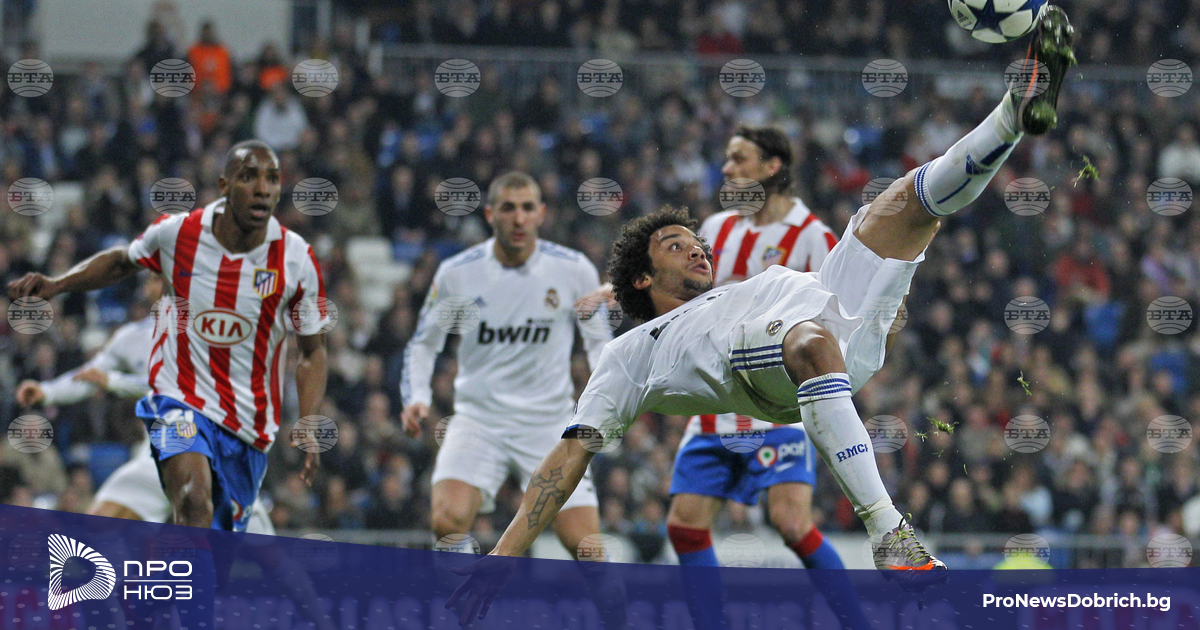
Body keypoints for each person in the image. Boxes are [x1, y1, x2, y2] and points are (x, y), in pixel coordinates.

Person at [449, 7, 1076, 623]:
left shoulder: (739, 286)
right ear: (643, 278)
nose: (697, 248)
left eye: (695, 242)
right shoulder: (630, 355)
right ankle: (890, 535)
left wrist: (884, 308)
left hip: (825, 308)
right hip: (773, 363)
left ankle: (1014, 112)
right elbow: (566, 459)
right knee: (801, 361)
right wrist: (501, 558)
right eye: (675, 246)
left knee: (904, 203)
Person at [8, 140, 329, 534]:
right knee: (193, 499)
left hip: (246, 427)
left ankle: (183, 574)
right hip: (179, 401)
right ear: (224, 185)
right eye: (249, 177)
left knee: (217, 549)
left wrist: (310, 421)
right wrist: (58, 284)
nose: (262, 188)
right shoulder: (179, 233)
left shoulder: (295, 259)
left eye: (272, 179)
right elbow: (122, 261)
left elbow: (313, 352)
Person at [669, 127, 869, 629]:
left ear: (772, 166)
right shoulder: (716, 228)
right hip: (717, 402)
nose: (727, 169)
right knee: (684, 525)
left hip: (777, 403)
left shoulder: (813, 236)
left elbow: (839, 318)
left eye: (739, 159)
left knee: (791, 522)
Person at [401, 171, 612, 558]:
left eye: (528, 208)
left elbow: (600, 344)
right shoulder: (458, 273)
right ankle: (470, 594)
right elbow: (424, 344)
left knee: (588, 551)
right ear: (489, 214)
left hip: (550, 423)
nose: (519, 219)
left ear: (542, 214)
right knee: (446, 522)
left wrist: (604, 404)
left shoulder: (573, 269)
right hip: (479, 420)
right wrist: (417, 396)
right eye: (508, 208)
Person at [15, 275, 274, 532]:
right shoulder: (131, 337)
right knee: (99, 522)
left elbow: (183, 389)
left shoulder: (213, 333)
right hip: (160, 450)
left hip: (212, 455)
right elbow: (92, 376)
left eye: (159, 277)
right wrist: (47, 392)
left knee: (259, 545)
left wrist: (115, 382)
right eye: (151, 279)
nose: (154, 284)